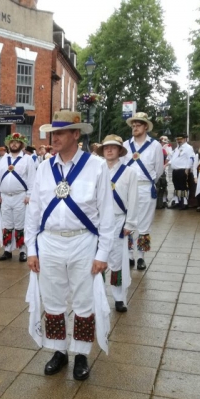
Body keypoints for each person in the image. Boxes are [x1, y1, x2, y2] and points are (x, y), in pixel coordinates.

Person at [26, 110, 113, 381]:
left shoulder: (96, 166)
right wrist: (31, 248)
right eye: (53, 133)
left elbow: (107, 214)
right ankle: (59, 350)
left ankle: (81, 354)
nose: (54, 138)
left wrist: (102, 253)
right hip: (49, 241)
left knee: (84, 300)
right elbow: (34, 211)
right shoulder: (43, 167)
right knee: (52, 299)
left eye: (61, 132)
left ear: (76, 134)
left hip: (83, 241)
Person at [96, 135, 137, 313]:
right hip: (98, 222)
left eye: (113, 147)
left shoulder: (130, 172)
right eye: (106, 147)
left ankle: (119, 298)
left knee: (117, 261)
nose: (109, 150)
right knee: (97, 259)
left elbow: (134, 200)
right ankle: (98, 296)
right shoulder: (97, 170)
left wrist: (130, 223)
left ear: (120, 151)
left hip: (119, 220)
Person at [123, 112, 164, 270]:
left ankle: (141, 257)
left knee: (144, 223)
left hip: (146, 187)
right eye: (133, 125)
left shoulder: (155, 145)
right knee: (128, 221)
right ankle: (128, 255)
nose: (135, 127)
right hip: (128, 188)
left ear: (146, 126)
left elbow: (159, 169)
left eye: (138, 125)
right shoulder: (126, 145)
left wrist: (148, 181)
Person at [0, 132, 35, 262]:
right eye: (12, 142)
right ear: (8, 144)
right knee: (7, 224)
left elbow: (32, 179)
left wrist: (29, 195)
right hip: (5, 197)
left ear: (21, 144)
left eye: (16, 142)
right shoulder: (4, 159)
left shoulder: (27, 159)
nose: (14, 144)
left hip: (20, 197)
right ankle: (7, 250)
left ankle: (22, 250)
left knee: (20, 224)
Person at [168, 134, 194, 210]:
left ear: (185, 139)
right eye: (178, 139)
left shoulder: (188, 148)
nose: (179, 141)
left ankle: (185, 202)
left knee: (183, 186)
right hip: (175, 170)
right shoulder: (177, 148)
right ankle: (177, 201)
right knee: (176, 186)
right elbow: (173, 158)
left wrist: (187, 168)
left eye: (181, 139)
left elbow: (191, 158)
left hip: (183, 170)